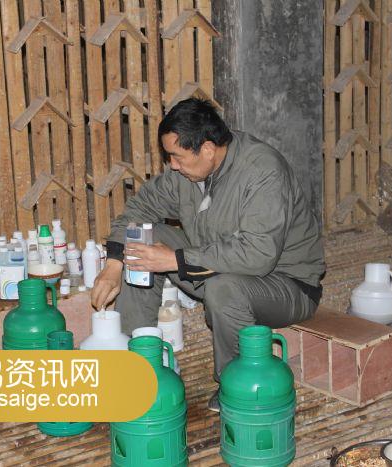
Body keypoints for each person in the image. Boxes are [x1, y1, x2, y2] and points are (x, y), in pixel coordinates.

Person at [91, 98, 325, 411]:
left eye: (177, 156)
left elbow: (258, 255)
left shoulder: (263, 172)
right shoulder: (188, 174)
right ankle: (139, 360)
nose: (172, 165)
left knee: (223, 288)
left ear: (208, 149)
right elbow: (139, 209)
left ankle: (236, 383)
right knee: (143, 240)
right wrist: (114, 264)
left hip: (285, 284)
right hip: (214, 267)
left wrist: (175, 260)